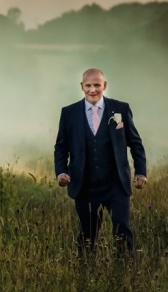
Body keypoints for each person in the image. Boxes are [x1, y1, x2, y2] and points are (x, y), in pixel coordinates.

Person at [54, 68, 147, 253]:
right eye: (88, 85)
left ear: (104, 85)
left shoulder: (121, 109)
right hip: (85, 186)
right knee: (87, 236)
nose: (93, 90)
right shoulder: (69, 113)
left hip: (116, 185)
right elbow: (61, 147)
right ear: (82, 87)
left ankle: (126, 273)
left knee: (122, 232)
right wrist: (61, 172)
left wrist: (141, 172)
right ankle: (84, 274)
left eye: (97, 85)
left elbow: (135, 143)